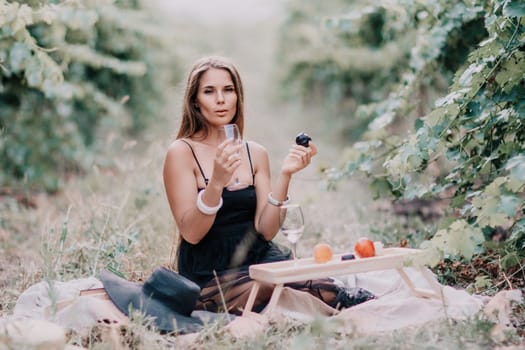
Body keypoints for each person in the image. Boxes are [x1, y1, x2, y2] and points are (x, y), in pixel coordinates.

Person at [163, 56, 374, 315]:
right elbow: (192, 233)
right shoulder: (181, 152)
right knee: (265, 287)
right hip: (210, 270)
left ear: (238, 96)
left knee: (320, 285)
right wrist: (216, 183)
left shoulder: (255, 153)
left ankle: (334, 297)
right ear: (195, 101)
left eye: (228, 90)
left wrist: (285, 175)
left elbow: (266, 231)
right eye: (209, 91)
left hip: (260, 258)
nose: (221, 99)